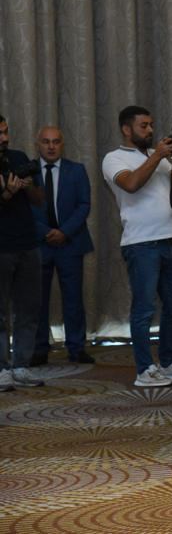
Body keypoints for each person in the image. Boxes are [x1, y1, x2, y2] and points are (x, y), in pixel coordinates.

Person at [102, 106, 172, 388]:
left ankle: (167, 362)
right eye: (143, 125)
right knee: (144, 309)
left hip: (170, 239)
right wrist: (157, 156)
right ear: (126, 129)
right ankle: (144, 369)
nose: (150, 130)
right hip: (140, 243)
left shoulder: (158, 157)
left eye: (151, 125)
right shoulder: (114, 158)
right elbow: (131, 184)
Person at [31, 126, 94, 366]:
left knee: (73, 299)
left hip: (70, 243)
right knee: (37, 300)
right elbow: (23, 209)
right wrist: (45, 232)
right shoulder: (27, 172)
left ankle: (76, 348)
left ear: (62, 144)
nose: (51, 146)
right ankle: (39, 349)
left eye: (56, 142)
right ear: (38, 144)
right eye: (46, 142)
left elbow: (84, 205)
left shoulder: (76, 170)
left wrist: (64, 231)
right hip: (39, 244)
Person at [0, 114, 45, 390]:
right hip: (1, 248)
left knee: (28, 308)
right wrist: (7, 193)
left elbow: (39, 199)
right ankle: (2, 369)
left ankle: (21, 366)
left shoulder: (18, 157)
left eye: (6, 131)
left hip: (28, 244)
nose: (4, 138)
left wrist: (26, 188)